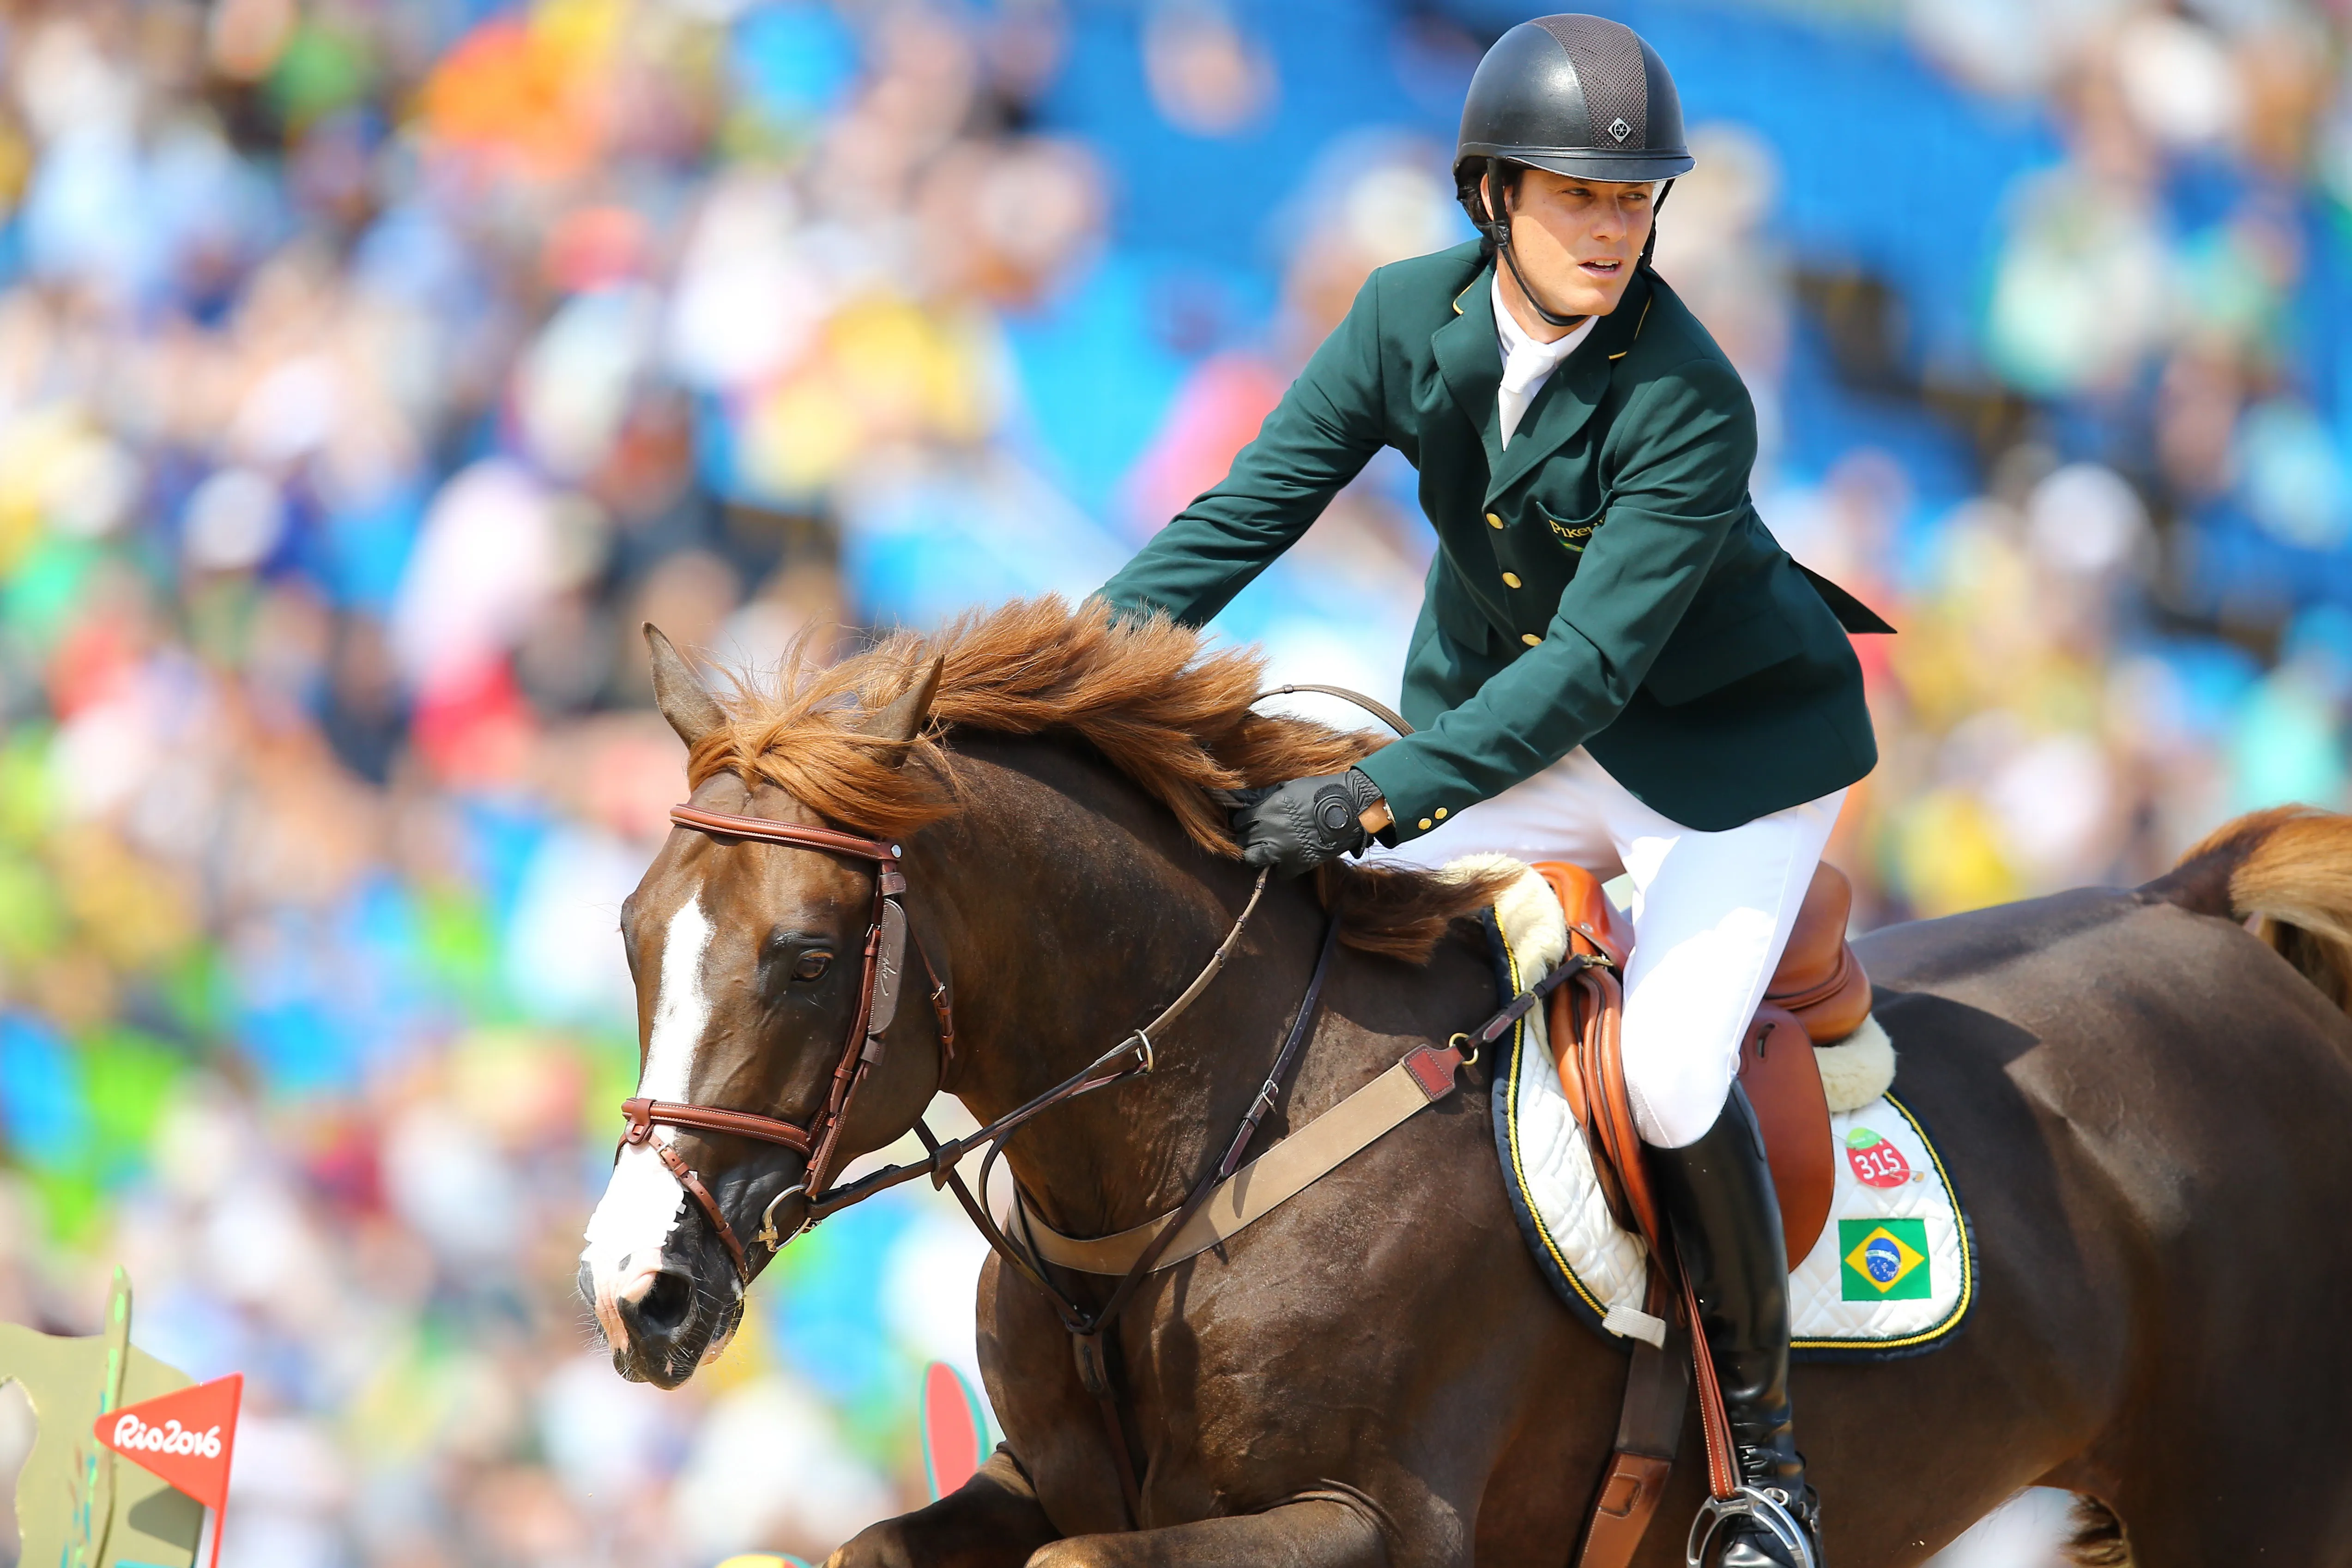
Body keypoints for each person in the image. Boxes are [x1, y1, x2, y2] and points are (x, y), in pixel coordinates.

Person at [1096, 15, 1891, 1567]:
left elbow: (1585, 670)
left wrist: (1374, 793)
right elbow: (1252, 507)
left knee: (1670, 1075)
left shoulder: (1688, 393)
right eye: (1577, 195)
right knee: (1299, 927)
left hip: (1720, 774)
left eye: (1633, 199)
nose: (1612, 228)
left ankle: (1765, 1471)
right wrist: (1065, 670)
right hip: (1515, 739)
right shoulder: (1404, 315)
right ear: (1490, 195)